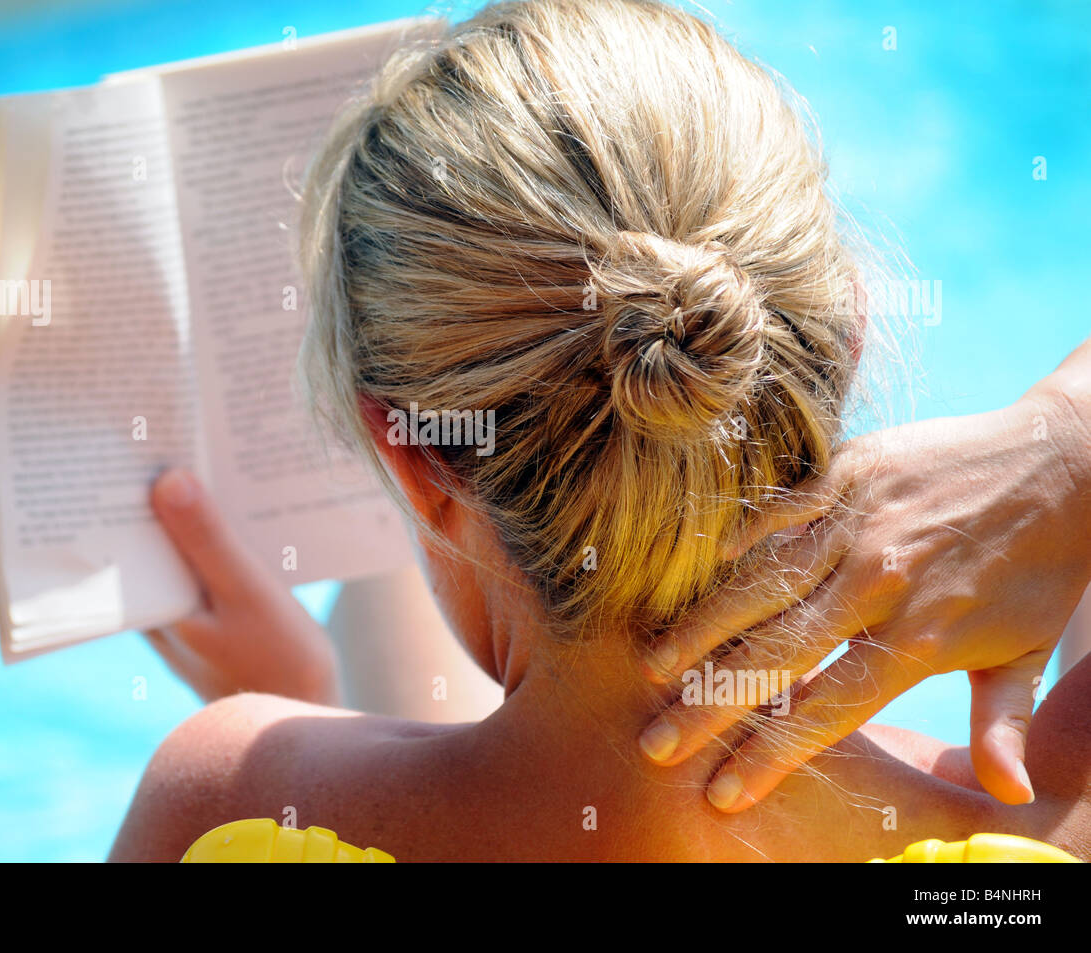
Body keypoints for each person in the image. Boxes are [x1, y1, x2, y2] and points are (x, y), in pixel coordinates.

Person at [109, 0, 1091, 862]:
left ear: (413, 459)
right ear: (845, 340)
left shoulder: (224, 802)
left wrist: (296, 705)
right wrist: (1061, 445)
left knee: (386, 604)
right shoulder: (1045, 821)